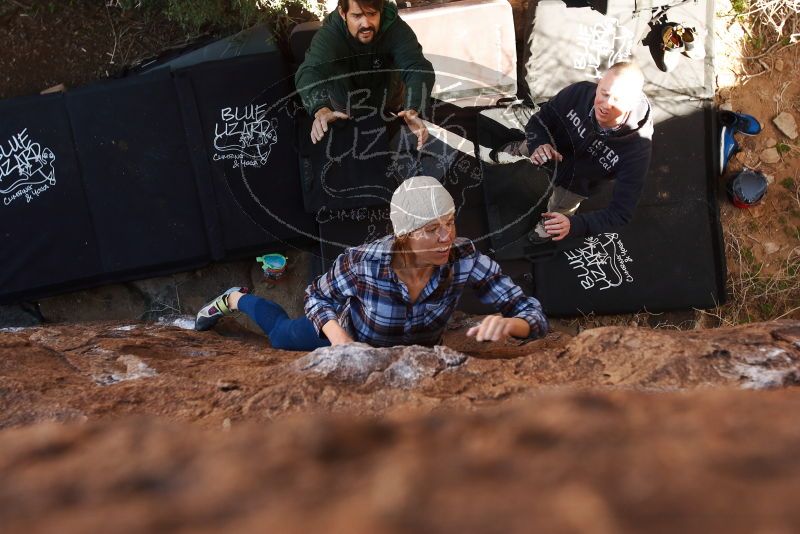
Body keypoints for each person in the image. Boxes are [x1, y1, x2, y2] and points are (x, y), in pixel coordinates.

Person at [195, 176, 548, 349]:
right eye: (431, 229)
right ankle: (234, 298)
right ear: (404, 235)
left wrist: (512, 324)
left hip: (415, 359)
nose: (446, 237)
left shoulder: (465, 258)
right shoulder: (365, 262)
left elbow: (531, 313)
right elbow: (317, 295)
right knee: (279, 336)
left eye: (450, 222)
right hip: (351, 337)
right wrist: (341, 342)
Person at [515, 61, 653, 243]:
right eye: (604, 93)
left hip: (576, 185)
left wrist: (574, 225)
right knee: (526, 147)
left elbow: (621, 212)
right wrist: (539, 143)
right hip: (550, 148)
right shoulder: (578, 93)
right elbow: (540, 119)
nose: (606, 105)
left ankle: (551, 225)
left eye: (618, 100)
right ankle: (515, 152)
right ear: (599, 83)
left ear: (632, 103)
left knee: (560, 209)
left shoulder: (637, 150)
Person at [294, 0, 434, 150]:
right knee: (354, 150)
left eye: (372, 14)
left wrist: (413, 107)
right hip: (346, 107)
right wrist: (320, 108)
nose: (366, 24)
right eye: (357, 16)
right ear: (343, 13)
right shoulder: (331, 34)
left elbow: (416, 66)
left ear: (380, 10)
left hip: (390, 101)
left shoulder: (395, 28)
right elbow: (310, 71)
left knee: (392, 147)